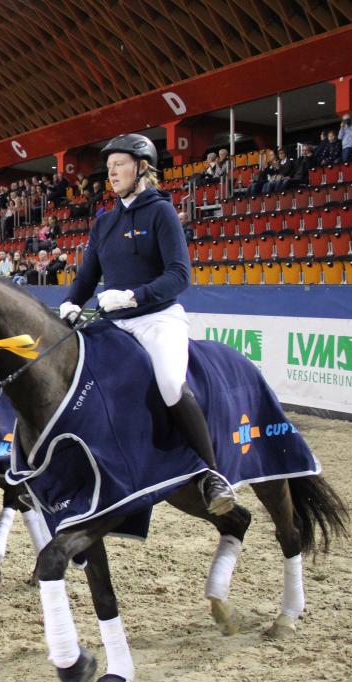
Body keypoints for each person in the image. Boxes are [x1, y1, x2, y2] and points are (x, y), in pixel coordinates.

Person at [60, 133, 235, 515]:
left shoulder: (161, 212)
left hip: (158, 318)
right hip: (115, 324)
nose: (112, 172)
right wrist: (70, 304)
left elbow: (179, 274)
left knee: (171, 383)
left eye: (119, 165)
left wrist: (133, 296)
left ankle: (210, 473)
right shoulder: (104, 223)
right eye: (108, 168)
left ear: (141, 168)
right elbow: (86, 279)